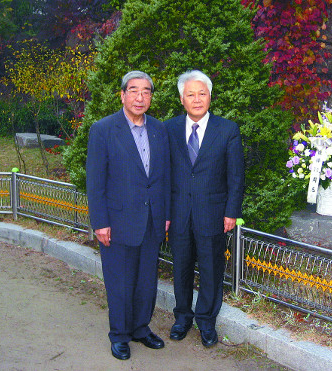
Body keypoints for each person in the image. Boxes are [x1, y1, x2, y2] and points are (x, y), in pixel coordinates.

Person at [86, 71, 170, 360]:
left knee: (147, 279)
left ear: (151, 97)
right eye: (133, 91)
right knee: (120, 281)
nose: (139, 97)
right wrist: (100, 222)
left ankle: (140, 328)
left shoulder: (159, 129)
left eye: (146, 91)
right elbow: (95, 182)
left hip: (152, 220)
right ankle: (119, 334)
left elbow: (164, 177)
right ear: (122, 95)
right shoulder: (103, 129)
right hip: (117, 222)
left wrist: (166, 214)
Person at [165, 70, 244, 347]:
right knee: (182, 268)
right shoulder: (169, 129)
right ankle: (182, 317)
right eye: (190, 94)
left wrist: (231, 212)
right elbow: (163, 175)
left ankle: (207, 322)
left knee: (211, 269)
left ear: (210, 96)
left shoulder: (228, 130)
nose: (197, 99)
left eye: (202, 93)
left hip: (213, 214)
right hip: (178, 215)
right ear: (181, 99)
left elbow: (236, 176)